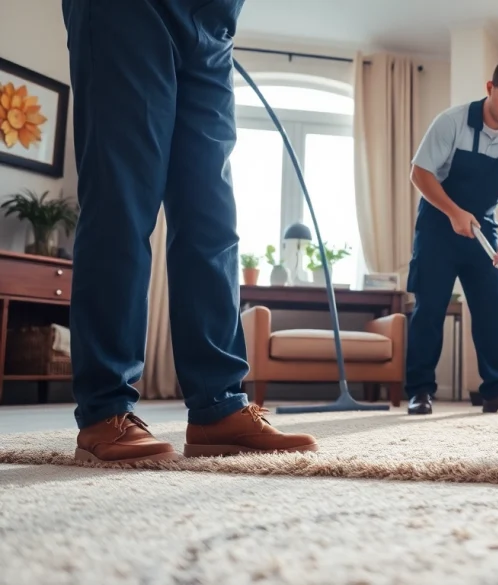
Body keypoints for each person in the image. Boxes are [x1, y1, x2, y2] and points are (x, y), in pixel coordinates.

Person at [62, 0, 317, 464]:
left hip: (213, 22)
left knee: (212, 218)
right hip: (129, 10)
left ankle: (218, 406)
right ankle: (105, 407)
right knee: (123, 203)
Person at [405, 58, 498, 416]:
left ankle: (496, 390)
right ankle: (420, 390)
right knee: (430, 308)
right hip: (438, 225)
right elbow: (420, 174)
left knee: (492, 310)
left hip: (483, 228)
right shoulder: (452, 123)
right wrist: (453, 212)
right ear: (490, 88)